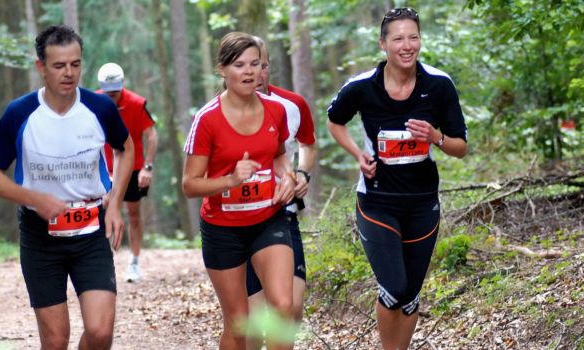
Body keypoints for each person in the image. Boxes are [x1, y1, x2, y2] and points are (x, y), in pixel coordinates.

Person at [0, 25, 133, 350]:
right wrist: (32, 197)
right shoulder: (20, 113)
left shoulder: (100, 107)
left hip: (91, 229)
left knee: (101, 331)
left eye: (75, 64)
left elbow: (126, 148)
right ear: (41, 68)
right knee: (55, 339)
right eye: (59, 65)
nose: (69, 73)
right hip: (40, 235)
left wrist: (116, 202)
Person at [327, 7, 468, 350]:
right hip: (377, 202)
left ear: (421, 39)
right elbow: (334, 121)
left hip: (422, 203)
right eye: (398, 38)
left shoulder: (439, 84)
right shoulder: (361, 87)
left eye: (413, 37)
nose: (407, 46)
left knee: (411, 296)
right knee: (394, 286)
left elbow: (460, 147)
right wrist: (358, 155)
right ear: (383, 44)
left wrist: (435, 137)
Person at [182, 31, 297, 350]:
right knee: (239, 324)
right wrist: (230, 181)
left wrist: (289, 177)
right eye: (239, 65)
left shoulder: (276, 111)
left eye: (255, 64)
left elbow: (278, 155)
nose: (249, 72)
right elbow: (190, 185)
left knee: (284, 307)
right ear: (222, 69)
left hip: (267, 220)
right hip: (223, 230)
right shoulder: (207, 119)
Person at [244, 36, 317, 350]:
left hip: (282, 215)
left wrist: (301, 173)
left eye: (262, 64)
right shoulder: (218, 112)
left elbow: (308, 144)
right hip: (239, 223)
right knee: (251, 318)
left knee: (291, 309)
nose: (257, 72)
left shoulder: (291, 104)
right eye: (247, 64)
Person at [95, 62, 158, 283]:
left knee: (133, 213)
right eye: (108, 93)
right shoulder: (93, 102)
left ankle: (134, 261)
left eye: (116, 93)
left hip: (133, 167)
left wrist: (147, 168)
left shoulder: (136, 103)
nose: (112, 97)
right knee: (100, 211)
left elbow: (151, 135)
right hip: (104, 168)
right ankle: (101, 263)